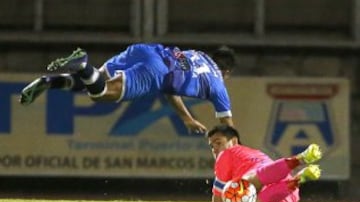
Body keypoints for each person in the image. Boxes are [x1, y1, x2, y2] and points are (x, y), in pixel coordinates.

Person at [19, 43, 236, 133]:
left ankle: (49, 82)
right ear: (226, 72)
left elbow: (173, 86)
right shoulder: (218, 85)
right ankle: (83, 63)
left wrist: (186, 119)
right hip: (156, 72)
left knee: (93, 81)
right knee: (101, 94)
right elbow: (230, 132)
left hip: (145, 49)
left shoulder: (196, 54)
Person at [207, 124, 322, 202]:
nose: (215, 149)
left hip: (275, 189)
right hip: (287, 190)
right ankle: (298, 163)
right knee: (247, 197)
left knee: (241, 190)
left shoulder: (226, 154)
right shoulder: (255, 153)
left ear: (234, 141)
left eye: (218, 143)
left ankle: (297, 178)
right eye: (212, 146)